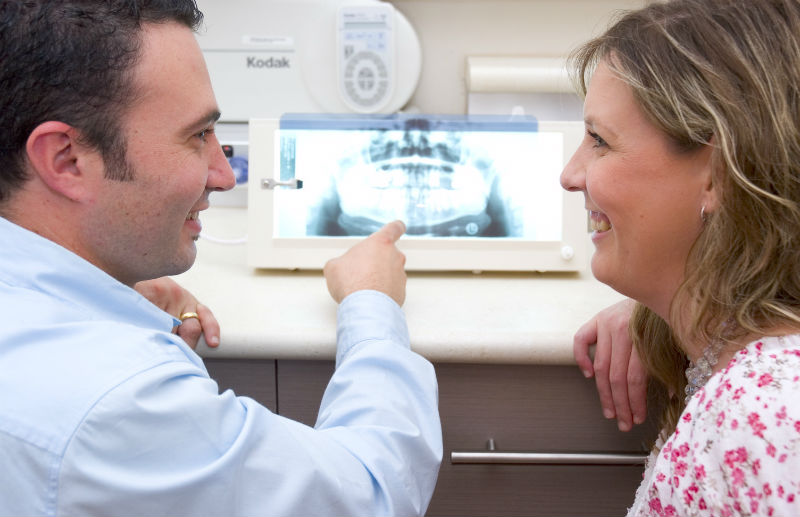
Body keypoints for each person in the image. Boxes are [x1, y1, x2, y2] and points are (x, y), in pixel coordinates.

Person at [0, 1, 441, 516]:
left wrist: (102, 302)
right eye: (197, 136)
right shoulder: (119, 403)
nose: (225, 175)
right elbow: (370, 493)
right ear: (67, 160)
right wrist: (372, 304)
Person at [560, 0, 800, 514]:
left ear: (716, 173)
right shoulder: (742, 361)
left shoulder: (762, 416)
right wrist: (662, 303)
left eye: (599, 140)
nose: (570, 174)